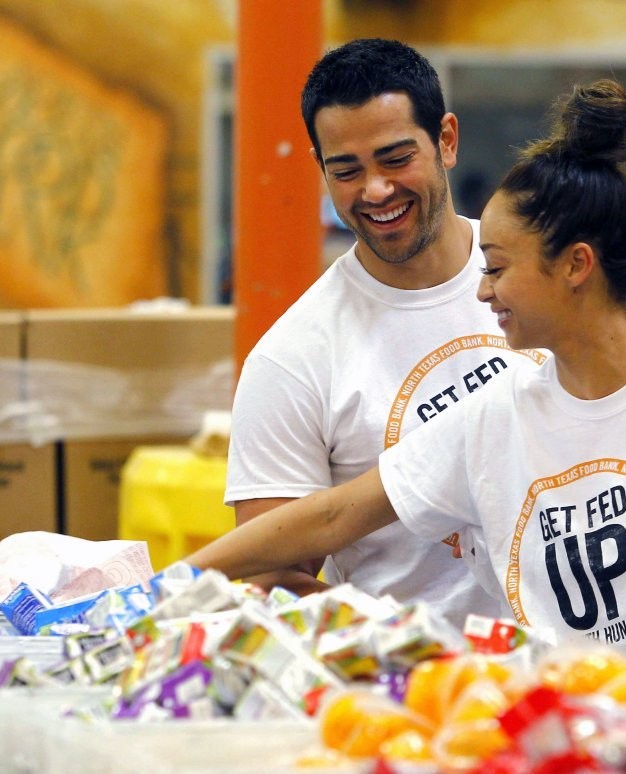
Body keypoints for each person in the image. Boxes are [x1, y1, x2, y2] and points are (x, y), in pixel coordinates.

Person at [191, 79, 626, 692]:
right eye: (345, 169)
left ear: (576, 265)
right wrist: (172, 579)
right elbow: (334, 514)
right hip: (569, 734)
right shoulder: (491, 417)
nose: (480, 291)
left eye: (498, 267)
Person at [225, 38, 545, 626]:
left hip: (587, 668)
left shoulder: (540, 280)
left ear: (446, 140)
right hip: (418, 690)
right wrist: (409, 642)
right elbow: (269, 577)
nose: (375, 190)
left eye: (396, 159)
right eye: (346, 170)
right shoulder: (294, 356)